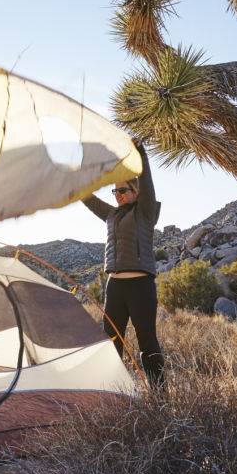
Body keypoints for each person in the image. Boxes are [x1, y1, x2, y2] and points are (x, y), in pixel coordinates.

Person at [81, 141, 166, 387]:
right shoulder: (111, 214)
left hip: (141, 286)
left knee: (147, 341)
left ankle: (159, 396)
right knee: (111, 343)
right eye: (114, 192)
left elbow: (148, 184)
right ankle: (113, 394)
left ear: (136, 192)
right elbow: (89, 200)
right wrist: (76, 184)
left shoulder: (145, 212)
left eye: (123, 191)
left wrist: (142, 155)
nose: (118, 195)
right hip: (114, 287)